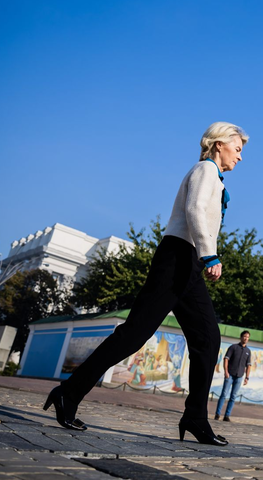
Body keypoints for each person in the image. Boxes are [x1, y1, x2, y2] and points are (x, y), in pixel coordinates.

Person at [43, 122, 248, 447]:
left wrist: (202, 258)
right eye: (237, 149)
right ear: (219, 143)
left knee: (208, 338)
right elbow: (194, 209)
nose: (240, 157)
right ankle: (68, 392)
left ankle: (195, 417)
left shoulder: (214, 175)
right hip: (178, 258)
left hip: (189, 263)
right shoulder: (205, 169)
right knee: (133, 335)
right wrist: (210, 255)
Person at [215, 330, 252, 421]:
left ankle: (227, 415)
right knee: (223, 394)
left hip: (239, 376)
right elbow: (226, 359)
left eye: (247, 337)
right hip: (230, 374)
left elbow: (249, 365)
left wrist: (247, 377)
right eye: (244, 336)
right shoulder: (233, 347)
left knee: (233, 396)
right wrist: (226, 371)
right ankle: (217, 414)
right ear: (241, 337)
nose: (246, 338)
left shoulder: (248, 351)